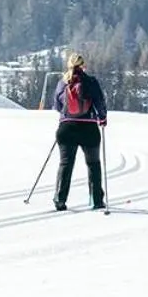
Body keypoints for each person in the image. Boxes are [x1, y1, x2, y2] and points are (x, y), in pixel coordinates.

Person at [51, 52, 107, 211]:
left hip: (67, 128)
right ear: (83, 66)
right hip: (89, 128)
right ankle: (96, 200)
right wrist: (102, 119)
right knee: (93, 164)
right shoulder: (91, 81)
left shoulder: (62, 83)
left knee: (66, 164)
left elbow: (57, 105)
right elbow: (100, 103)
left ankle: (60, 199)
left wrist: (67, 116)